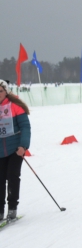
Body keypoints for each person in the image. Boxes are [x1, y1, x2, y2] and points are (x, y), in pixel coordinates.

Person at [0, 80, 31, 222]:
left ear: (6, 92)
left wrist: (23, 146)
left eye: (0, 91)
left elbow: (25, 127)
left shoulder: (15, 106)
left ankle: (12, 209)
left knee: (12, 177)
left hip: (15, 149)